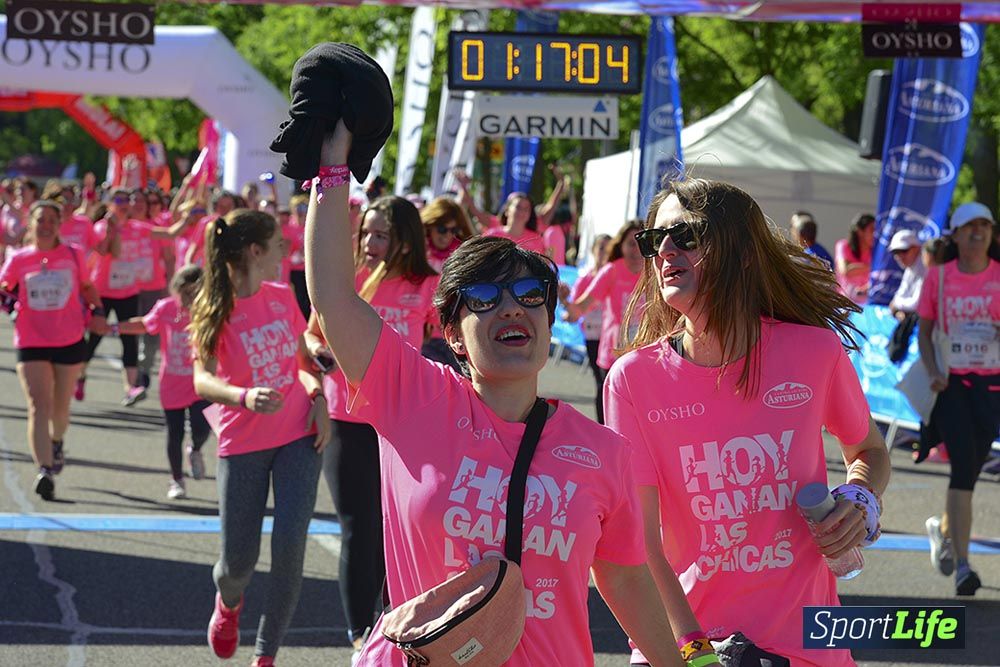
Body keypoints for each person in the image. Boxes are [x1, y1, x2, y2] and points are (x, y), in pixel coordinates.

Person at [306, 122, 699, 666]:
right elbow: (332, 297)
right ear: (451, 334)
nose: (511, 307)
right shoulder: (414, 396)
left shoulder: (604, 453)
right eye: (485, 297)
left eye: (529, 293)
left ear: (547, 316)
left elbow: (628, 582)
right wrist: (332, 165)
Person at [605, 179, 891, 666]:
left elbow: (869, 450)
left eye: (686, 236)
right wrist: (694, 652)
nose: (665, 251)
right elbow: (641, 541)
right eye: (655, 241)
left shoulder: (813, 352)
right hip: (688, 646)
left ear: (739, 251)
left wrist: (859, 501)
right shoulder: (632, 380)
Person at [189, 209, 329, 667]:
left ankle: (266, 655)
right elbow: (201, 380)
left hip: (298, 435)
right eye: (278, 245)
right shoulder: (213, 307)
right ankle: (228, 605)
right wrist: (243, 396)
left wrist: (319, 396)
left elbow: (299, 363)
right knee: (237, 566)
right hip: (242, 444)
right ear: (254, 252)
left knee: (290, 547)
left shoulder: (281, 293)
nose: (286, 252)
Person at [304, 194, 439, 655]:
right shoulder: (351, 280)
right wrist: (319, 352)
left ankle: (395, 620)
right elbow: (311, 332)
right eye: (366, 233)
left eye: (382, 234)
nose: (371, 243)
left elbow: (448, 348)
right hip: (348, 417)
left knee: (400, 528)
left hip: (405, 424)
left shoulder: (428, 286)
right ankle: (360, 631)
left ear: (405, 238)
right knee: (358, 527)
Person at [918, 202, 1000, 597]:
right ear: (955, 234)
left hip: (991, 387)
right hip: (951, 388)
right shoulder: (939, 278)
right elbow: (924, 331)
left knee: (971, 467)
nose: (978, 232)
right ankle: (964, 567)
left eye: (985, 225)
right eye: (970, 226)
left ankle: (943, 528)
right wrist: (933, 371)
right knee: (963, 468)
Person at [0, 200, 105, 501]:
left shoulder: (72, 254)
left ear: (59, 225)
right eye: (40, 220)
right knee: (38, 405)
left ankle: (56, 441)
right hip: (31, 340)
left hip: (69, 338)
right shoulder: (19, 258)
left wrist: (98, 310)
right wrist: (11, 308)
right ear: (30, 225)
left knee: (60, 409)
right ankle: (44, 470)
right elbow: (4, 289)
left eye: (51, 220)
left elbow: (87, 287)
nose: (45, 225)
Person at [97, 266, 212, 500]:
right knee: (174, 433)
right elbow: (143, 324)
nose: (190, 299)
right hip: (172, 383)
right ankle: (177, 480)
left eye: (195, 293)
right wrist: (114, 327)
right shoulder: (166, 308)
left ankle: (196, 449)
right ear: (176, 290)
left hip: (201, 383)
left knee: (202, 427)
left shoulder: (209, 311)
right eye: (185, 293)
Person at [559, 220, 644, 424]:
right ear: (621, 245)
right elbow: (580, 308)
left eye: (640, 242)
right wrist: (564, 300)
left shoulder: (654, 270)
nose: (635, 249)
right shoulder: (612, 271)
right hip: (613, 354)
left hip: (643, 353)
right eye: (630, 243)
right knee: (610, 410)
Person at [569, 233, 611, 420]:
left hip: (614, 336)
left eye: (608, 248)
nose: (604, 252)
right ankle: (603, 424)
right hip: (593, 335)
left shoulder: (614, 274)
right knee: (601, 382)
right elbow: (574, 308)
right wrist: (564, 303)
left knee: (612, 382)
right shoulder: (586, 278)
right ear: (593, 251)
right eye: (601, 247)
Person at [481, 192, 546, 253]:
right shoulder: (492, 235)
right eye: (518, 207)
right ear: (507, 210)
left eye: (526, 209)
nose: (522, 212)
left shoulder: (536, 239)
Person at [835, 213, 875, 303]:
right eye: (872, 230)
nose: (875, 234)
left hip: (867, 303)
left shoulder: (875, 251)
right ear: (860, 232)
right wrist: (873, 266)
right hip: (844, 302)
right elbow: (845, 271)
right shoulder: (843, 245)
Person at [888, 229, 926, 318]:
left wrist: (897, 305)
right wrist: (898, 309)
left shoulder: (925, 268)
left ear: (917, 248)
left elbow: (917, 304)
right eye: (895, 252)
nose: (899, 256)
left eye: (904, 251)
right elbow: (900, 294)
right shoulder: (910, 267)